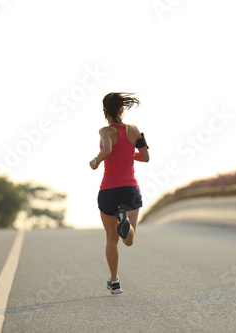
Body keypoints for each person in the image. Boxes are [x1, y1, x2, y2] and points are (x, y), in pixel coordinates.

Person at [89, 92, 150, 294]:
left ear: (105, 112)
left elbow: (106, 149)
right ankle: (125, 222)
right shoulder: (134, 130)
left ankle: (114, 281)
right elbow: (146, 156)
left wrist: (96, 161)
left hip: (108, 189)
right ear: (122, 110)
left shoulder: (105, 130)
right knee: (129, 240)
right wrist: (127, 154)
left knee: (110, 238)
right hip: (130, 189)